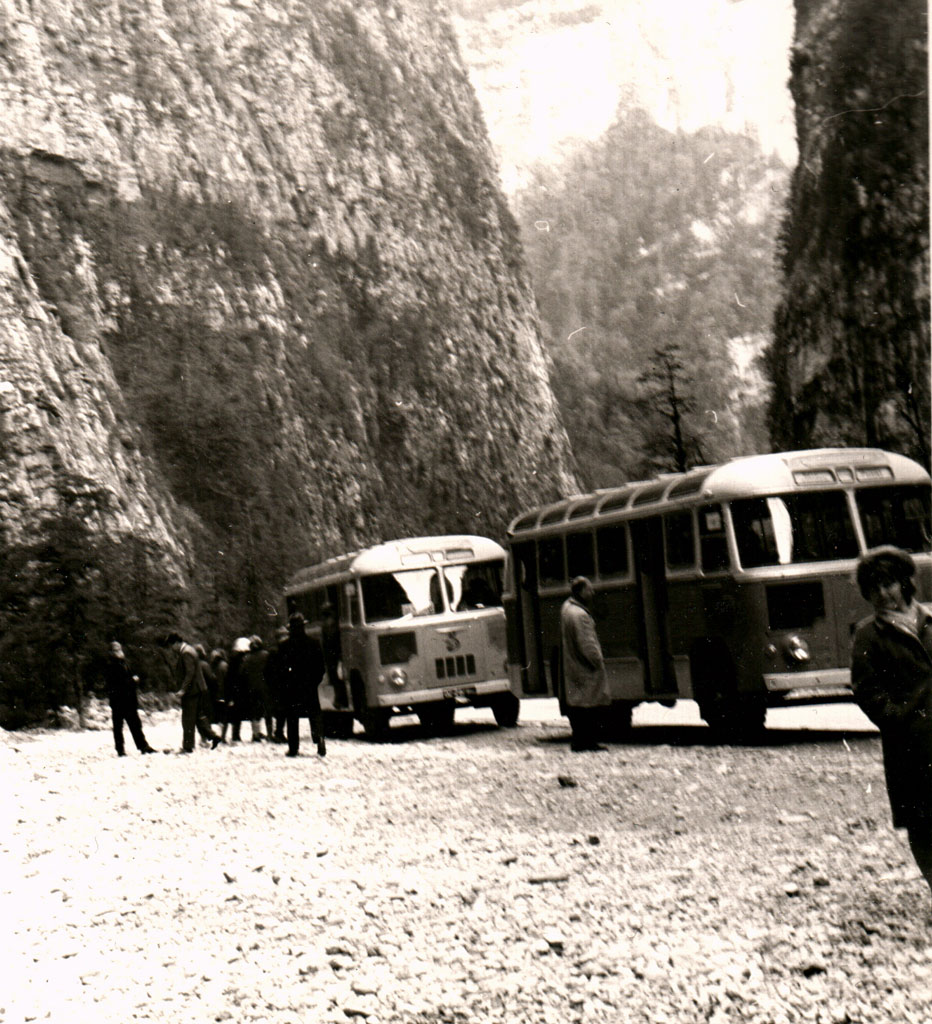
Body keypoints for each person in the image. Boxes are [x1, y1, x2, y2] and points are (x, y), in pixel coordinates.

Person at [851, 546, 932, 895]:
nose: (883, 594)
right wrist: (899, 720)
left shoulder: (929, 623)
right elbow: (867, 692)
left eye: (889, 585)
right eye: (874, 588)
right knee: (923, 825)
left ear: (905, 584)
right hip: (910, 747)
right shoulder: (869, 635)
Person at [560, 576, 611, 752]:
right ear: (581, 591)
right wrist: (598, 661)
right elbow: (587, 644)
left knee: (578, 707)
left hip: (573, 666)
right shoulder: (581, 615)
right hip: (586, 668)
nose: (592, 592)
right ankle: (587, 742)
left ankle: (580, 741)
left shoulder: (567, 609)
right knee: (589, 707)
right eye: (589, 589)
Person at [160, 633, 222, 753]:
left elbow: (190, 673)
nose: (172, 649)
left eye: (171, 646)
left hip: (192, 691)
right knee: (198, 717)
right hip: (198, 689)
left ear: (176, 643)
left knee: (188, 719)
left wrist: (183, 689)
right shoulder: (190, 650)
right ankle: (214, 737)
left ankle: (188, 746)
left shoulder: (186, 653)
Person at [278, 612, 326, 758]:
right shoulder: (314, 643)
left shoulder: (284, 646)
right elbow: (321, 667)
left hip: (291, 687)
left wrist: (284, 684)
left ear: (290, 629)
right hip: (309, 686)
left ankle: (293, 748)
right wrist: (314, 681)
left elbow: (280, 668)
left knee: (292, 718)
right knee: (314, 714)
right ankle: (319, 740)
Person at [102, 641, 156, 756]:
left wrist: (133, 682)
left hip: (129, 700)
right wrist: (132, 680)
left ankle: (143, 746)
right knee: (118, 726)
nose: (118, 651)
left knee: (135, 724)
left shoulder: (124, 663)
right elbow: (117, 684)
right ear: (111, 652)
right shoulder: (110, 666)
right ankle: (120, 750)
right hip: (118, 700)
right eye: (115, 650)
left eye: (119, 649)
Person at [242, 635, 272, 741]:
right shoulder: (266, 655)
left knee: (254, 712)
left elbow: (243, 673)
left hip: (251, 687)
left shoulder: (246, 658)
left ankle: (255, 734)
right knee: (267, 711)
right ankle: (269, 734)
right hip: (265, 686)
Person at [223, 637, 251, 742]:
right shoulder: (240, 661)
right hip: (238, 689)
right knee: (237, 714)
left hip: (232, 689)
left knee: (232, 713)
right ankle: (235, 735)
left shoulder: (232, 660)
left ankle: (228, 735)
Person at [320, 603, 348, 708]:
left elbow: (327, 642)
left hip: (333, 655)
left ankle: (340, 699)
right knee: (337, 677)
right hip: (334, 655)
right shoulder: (333, 624)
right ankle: (340, 698)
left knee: (336, 677)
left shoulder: (328, 626)